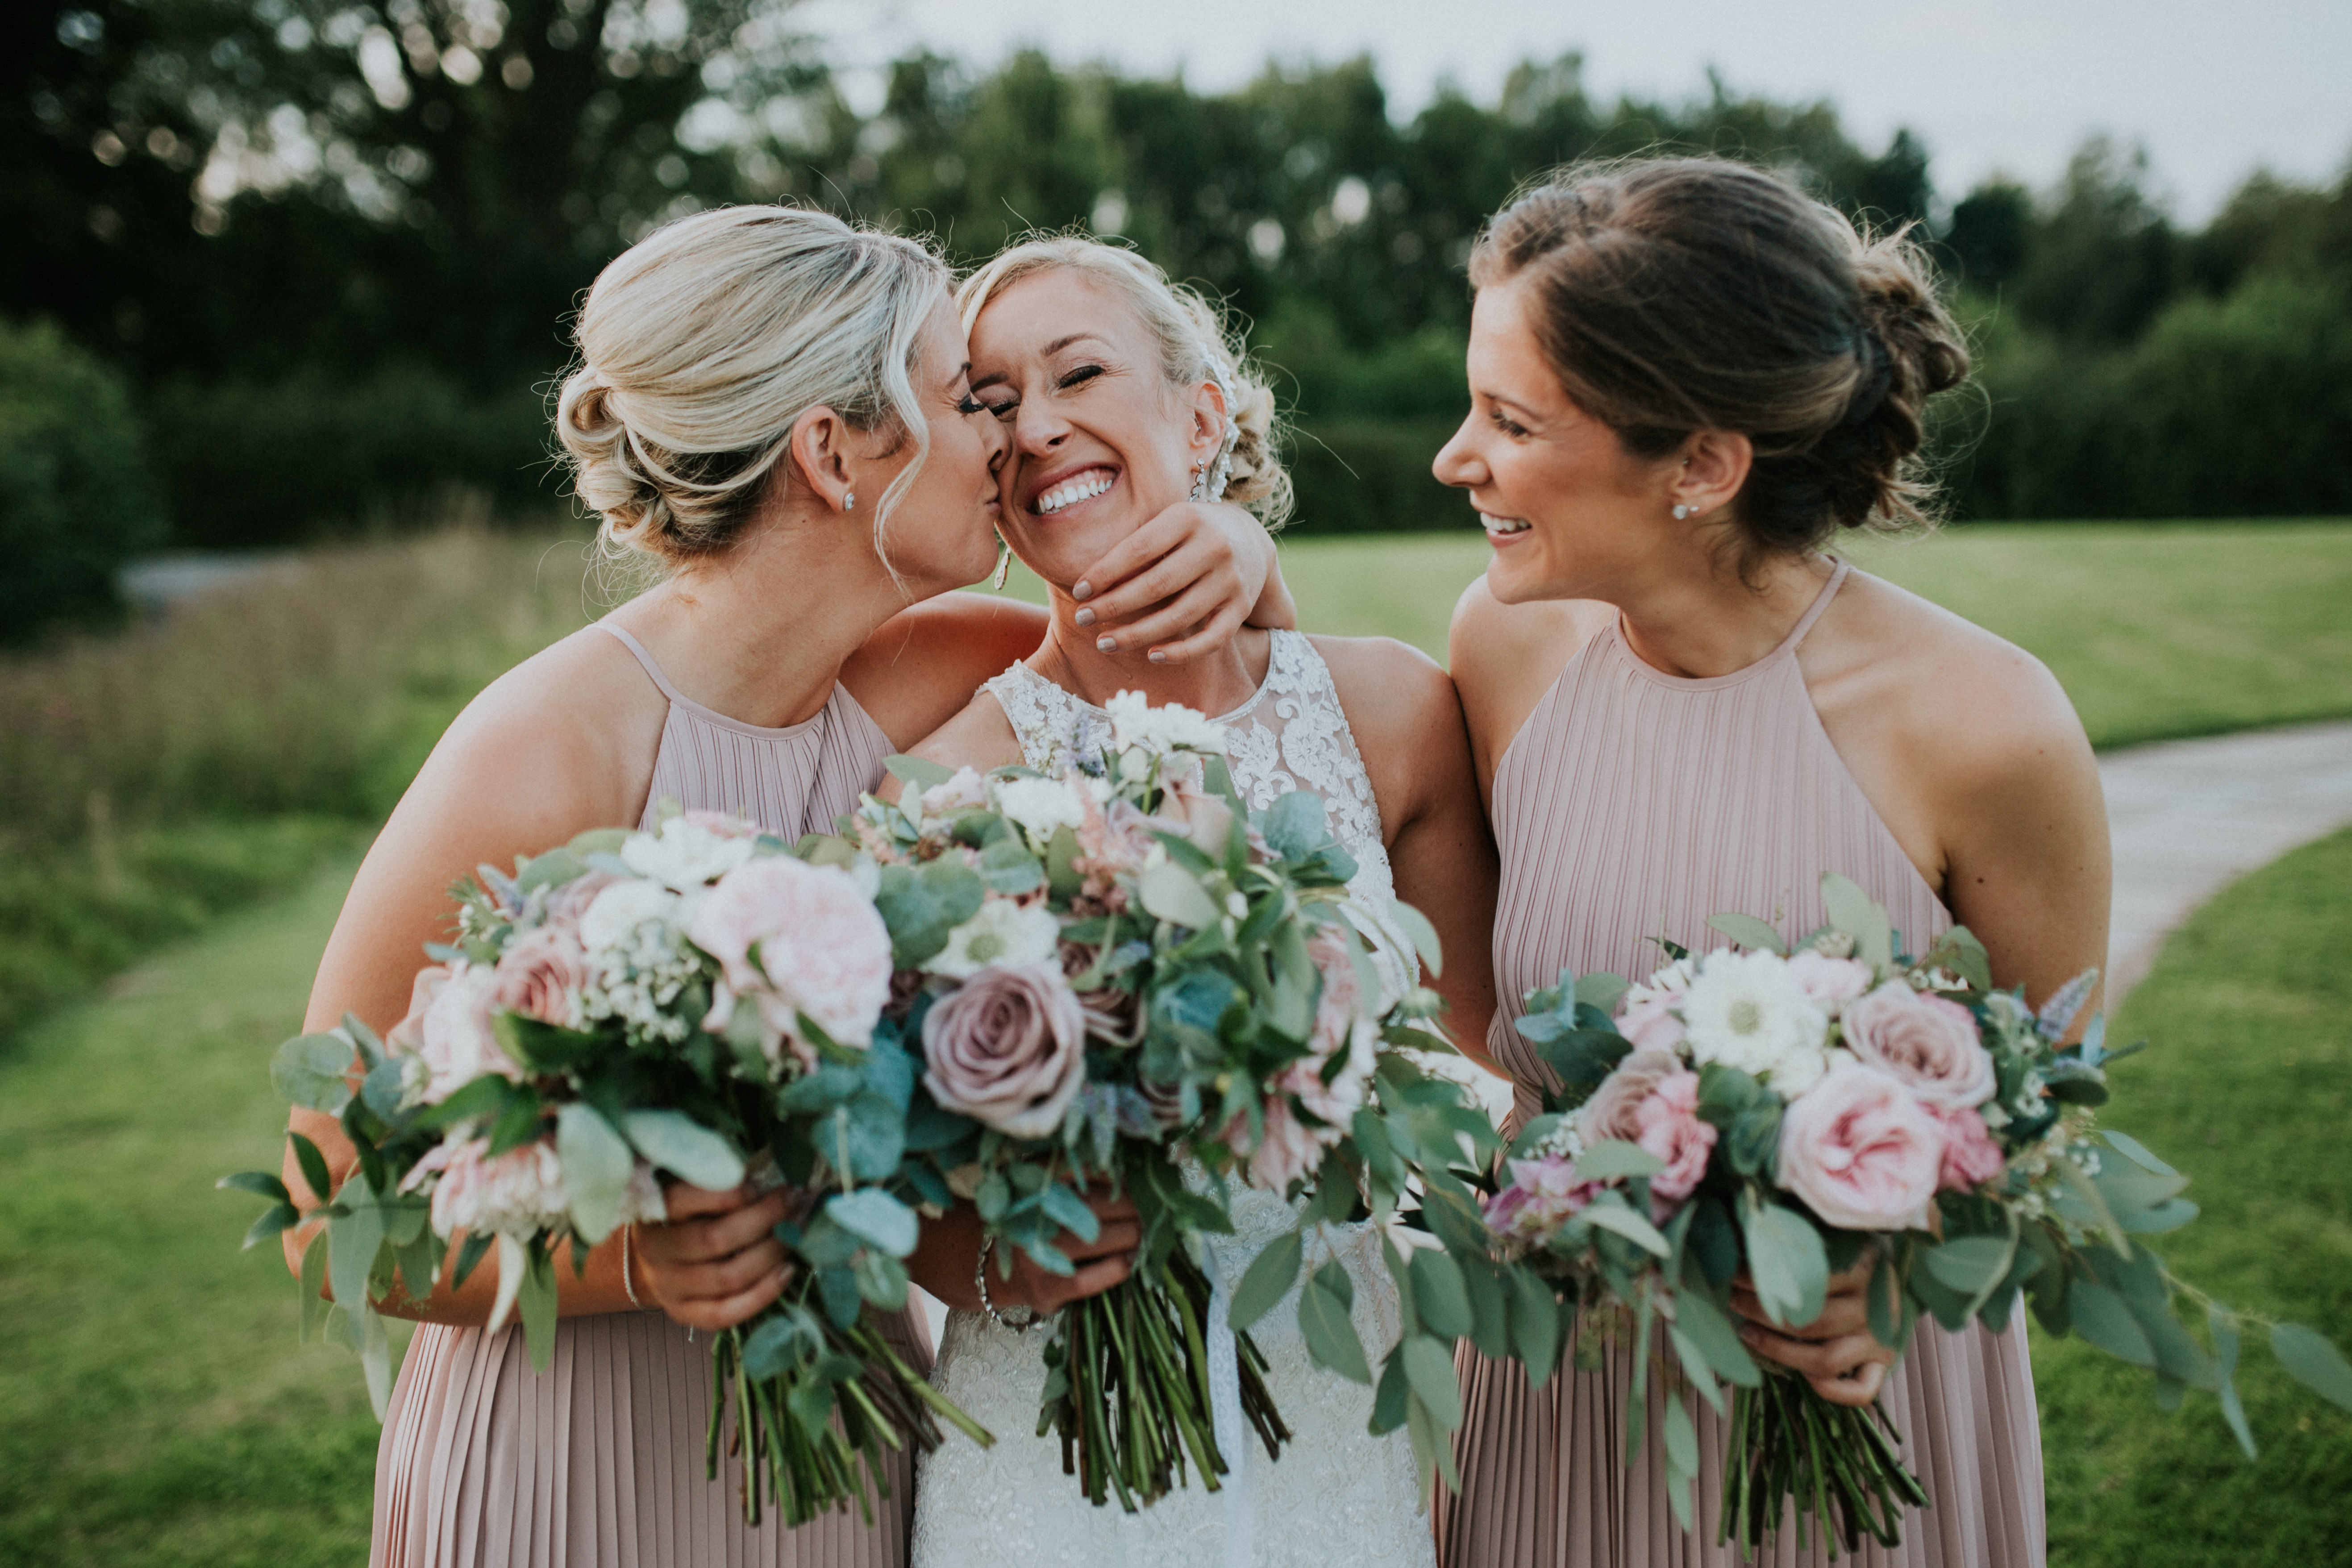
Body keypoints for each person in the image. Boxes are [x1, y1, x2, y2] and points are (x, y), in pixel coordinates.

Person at [282, 203, 1295, 1568]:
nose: (1004, 438)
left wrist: (1246, 553)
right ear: (834, 451)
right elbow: (323, 1204)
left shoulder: (933, 675)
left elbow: (1205, 684)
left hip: (846, 1463)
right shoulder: (548, 749)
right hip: (581, 1464)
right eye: (963, 398)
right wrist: (633, 1260)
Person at [1431, 158, 2109, 1568]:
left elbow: (2049, 1116)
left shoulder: (1984, 725)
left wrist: (1896, 1272)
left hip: (1847, 1405)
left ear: (1702, 463)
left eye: (1508, 419)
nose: (1456, 457)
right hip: (1569, 1393)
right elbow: (1500, 1034)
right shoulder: (1505, 652)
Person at [885, 236, 1502, 1568]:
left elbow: (1490, 1059)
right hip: (1058, 1431)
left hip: (1338, 1383)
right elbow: (908, 1188)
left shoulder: (1393, 711)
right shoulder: (950, 779)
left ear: (1206, 413)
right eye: (991, 402)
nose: (1038, 426)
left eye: (1080, 372)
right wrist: (1013, 1252)